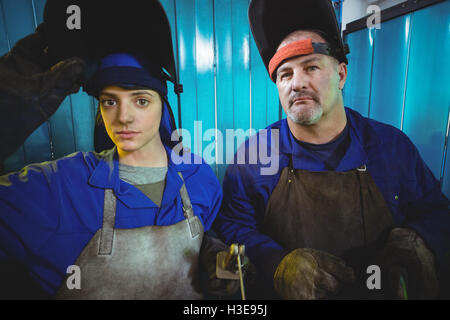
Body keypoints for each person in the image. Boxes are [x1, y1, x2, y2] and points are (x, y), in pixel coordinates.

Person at [0, 0, 240, 299]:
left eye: (141, 100)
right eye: (109, 101)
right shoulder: (57, 189)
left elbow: (206, 231)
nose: (123, 116)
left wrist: (210, 252)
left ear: (162, 106)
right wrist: (7, 105)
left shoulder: (198, 177)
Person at [213, 0, 450, 299]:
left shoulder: (391, 148)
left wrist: (420, 241)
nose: (296, 83)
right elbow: (233, 228)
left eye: (311, 67)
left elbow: (435, 210)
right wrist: (277, 264)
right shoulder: (253, 158)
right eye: (285, 74)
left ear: (340, 75)